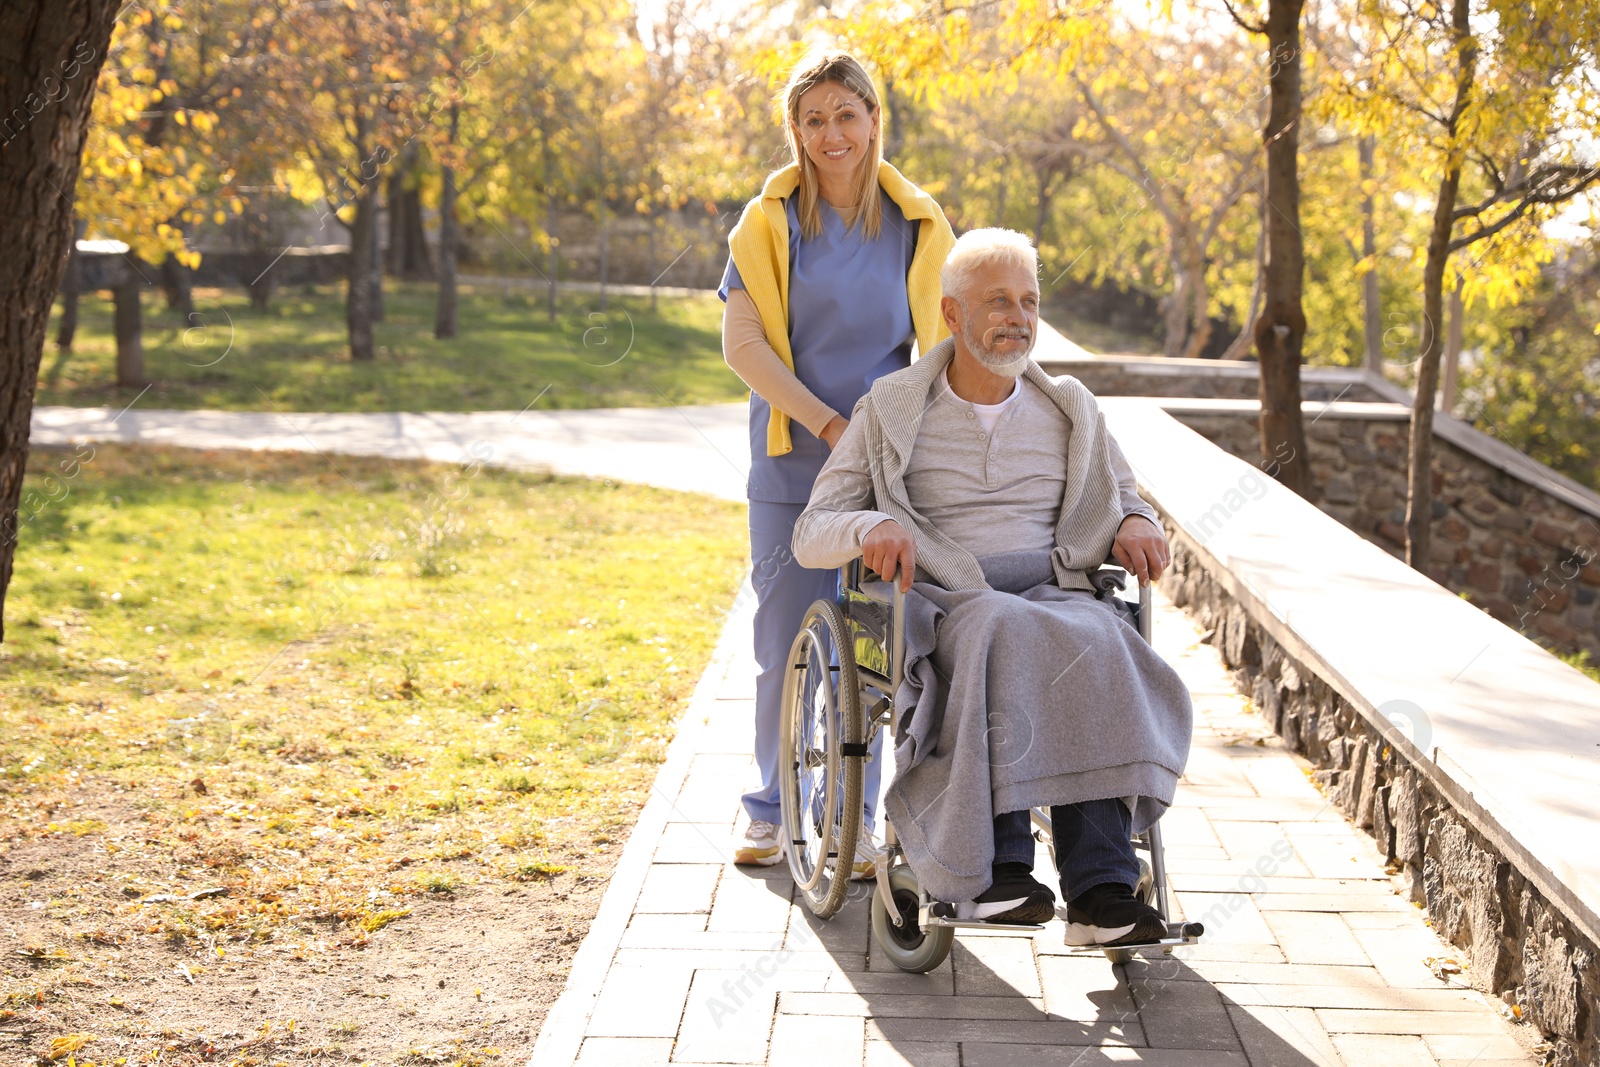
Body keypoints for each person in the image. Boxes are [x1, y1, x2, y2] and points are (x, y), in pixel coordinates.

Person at [790, 228, 1194, 947]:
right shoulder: (889, 408)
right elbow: (813, 528)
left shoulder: (1071, 407)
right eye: (999, 300)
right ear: (951, 315)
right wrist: (867, 528)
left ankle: (1102, 888)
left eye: (1030, 301)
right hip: (942, 598)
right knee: (1000, 627)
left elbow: (1125, 495)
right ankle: (1001, 869)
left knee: (1103, 632)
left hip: (1053, 587)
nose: (1018, 316)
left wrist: (1134, 517)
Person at [718, 50, 955, 873]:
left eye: (845, 115)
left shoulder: (919, 226)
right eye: (813, 118)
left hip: (884, 472)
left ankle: (851, 818)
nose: (831, 134)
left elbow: (945, 346)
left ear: (873, 120)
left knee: (870, 646)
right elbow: (742, 344)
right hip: (794, 457)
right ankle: (769, 808)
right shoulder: (766, 224)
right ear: (794, 130)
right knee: (782, 642)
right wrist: (824, 420)